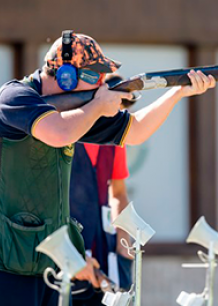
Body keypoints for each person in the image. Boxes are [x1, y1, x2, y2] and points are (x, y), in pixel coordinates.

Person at [0, 30, 215, 306]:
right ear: (65, 77)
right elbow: (58, 132)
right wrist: (97, 106)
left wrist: (178, 93)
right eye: (94, 77)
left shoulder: (81, 112)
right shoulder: (13, 97)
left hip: (49, 265)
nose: (102, 84)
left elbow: (137, 130)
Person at [70, 76, 135, 305]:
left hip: (102, 242)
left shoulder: (115, 140)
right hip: (68, 242)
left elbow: (118, 194)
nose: (118, 112)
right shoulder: (65, 132)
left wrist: (123, 245)